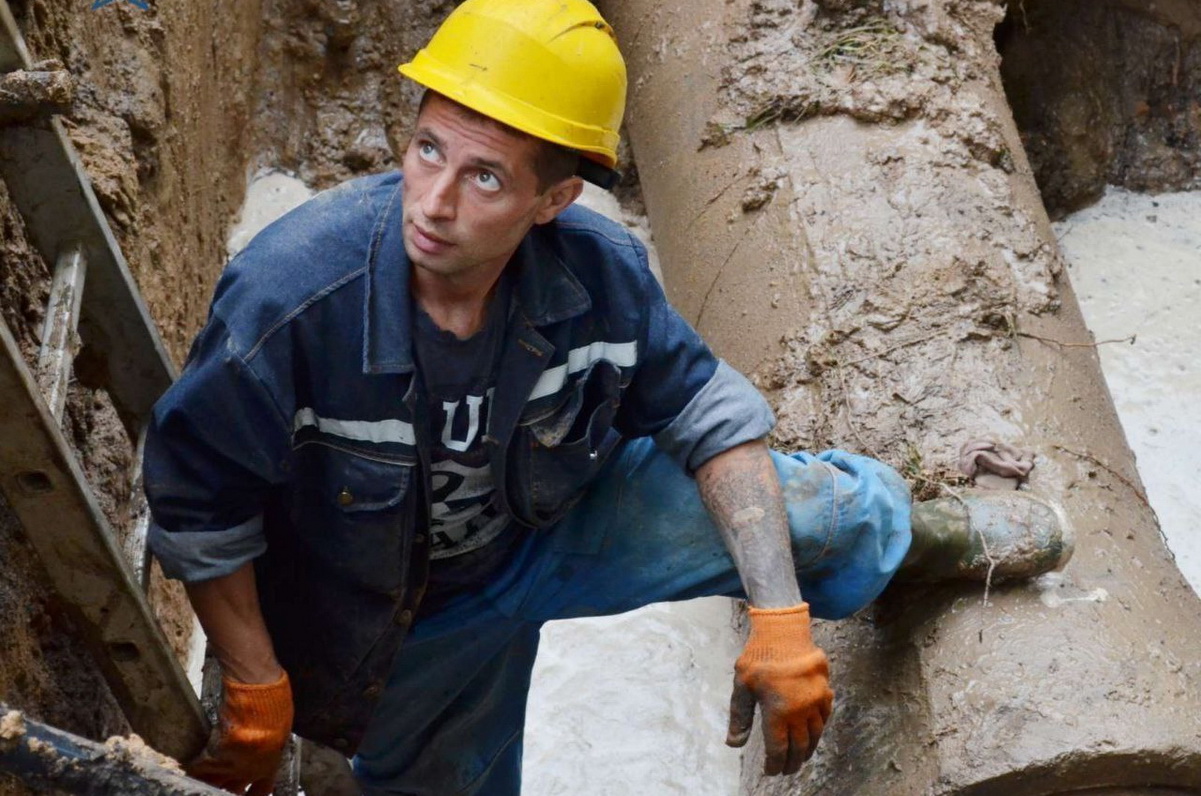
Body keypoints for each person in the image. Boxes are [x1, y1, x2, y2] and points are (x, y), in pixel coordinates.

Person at [143, 2, 1067, 794]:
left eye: (484, 177)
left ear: (553, 199)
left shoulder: (598, 273)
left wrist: (780, 620)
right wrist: (255, 681)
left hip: (554, 524)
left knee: (812, 510)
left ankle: (931, 538)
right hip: (396, 615)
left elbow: (709, 421)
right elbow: (200, 506)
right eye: (427, 150)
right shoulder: (291, 301)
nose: (432, 202)